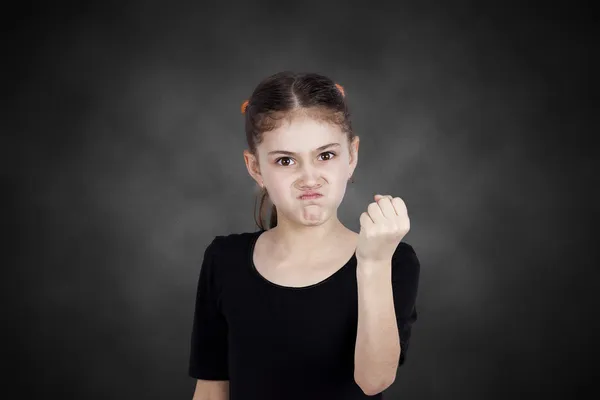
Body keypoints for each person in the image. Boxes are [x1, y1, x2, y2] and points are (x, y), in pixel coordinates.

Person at [189, 71, 420, 400]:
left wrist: (373, 262)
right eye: (286, 160)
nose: (309, 178)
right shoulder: (223, 260)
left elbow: (374, 380)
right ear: (255, 168)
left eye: (325, 156)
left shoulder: (393, 260)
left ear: (351, 156)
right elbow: (212, 389)